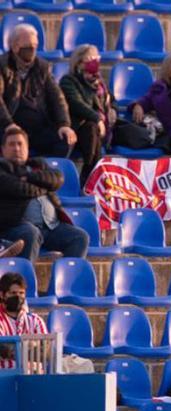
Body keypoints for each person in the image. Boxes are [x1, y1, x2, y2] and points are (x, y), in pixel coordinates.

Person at [0, 126, 89, 260]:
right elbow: (16, 188)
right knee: (31, 233)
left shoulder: (38, 164)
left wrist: (30, 177)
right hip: (16, 226)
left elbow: (58, 178)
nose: (17, 148)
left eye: (20, 144)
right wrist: (45, 186)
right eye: (12, 144)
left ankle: (66, 277)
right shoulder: (2, 169)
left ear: (27, 148)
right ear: (3, 150)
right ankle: (23, 279)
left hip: (51, 226)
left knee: (80, 237)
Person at [0, 25, 74, 158]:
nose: (33, 49)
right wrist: (8, 124)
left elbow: (57, 98)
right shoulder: (2, 66)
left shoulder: (42, 67)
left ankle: (49, 176)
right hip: (9, 125)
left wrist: (64, 124)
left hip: (38, 127)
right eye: (28, 46)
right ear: (15, 46)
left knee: (64, 139)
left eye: (35, 45)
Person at [58, 45, 117, 181]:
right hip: (79, 129)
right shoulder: (69, 81)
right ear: (79, 63)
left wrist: (113, 109)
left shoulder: (99, 82)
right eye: (89, 59)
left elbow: (112, 99)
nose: (94, 62)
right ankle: (91, 173)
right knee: (91, 127)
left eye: (96, 58)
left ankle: (94, 175)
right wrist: (97, 119)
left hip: (101, 130)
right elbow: (77, 104)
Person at [0, 272, 45, 369]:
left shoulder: (36, 320)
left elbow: (44, 350)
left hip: (33, 375)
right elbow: (3, 349)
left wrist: (15, 347)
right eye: (13, 293)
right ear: (2, 295)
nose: (18, 297)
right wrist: (30, 346)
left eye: (21, 293)